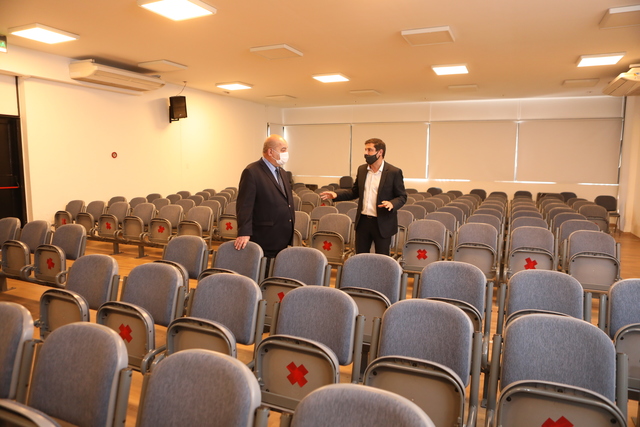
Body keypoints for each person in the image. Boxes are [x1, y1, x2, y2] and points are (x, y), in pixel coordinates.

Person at [321, 138, 407, 255]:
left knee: (381, 259)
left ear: (380, 152)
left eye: (370, 150)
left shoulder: (394, 172)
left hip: (382, 223)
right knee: (360, 257)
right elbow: (354, 192)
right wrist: (336, 194)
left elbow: (402, 196)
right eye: (365, 150)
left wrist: (392, 203)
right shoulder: (362, 170)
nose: (366, 153)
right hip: (363, 223)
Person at [234, 134, 295, 259]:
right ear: (270, 152)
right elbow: (245, 204)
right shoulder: (252, 172)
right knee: (264, 273)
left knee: (277, 273)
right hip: (265, 236)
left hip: (282, 235)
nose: (286, 153)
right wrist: (244, 232)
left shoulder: (282, 172)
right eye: (283, 150)